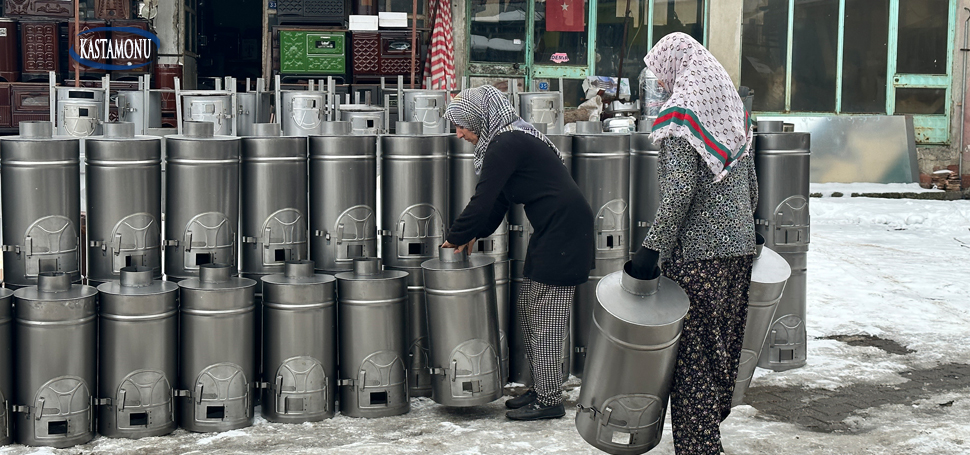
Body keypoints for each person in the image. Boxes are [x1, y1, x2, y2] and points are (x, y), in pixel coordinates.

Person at [630, 32, 758, 455]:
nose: (660, 82)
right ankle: (707, 434)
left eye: (660, 72)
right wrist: (741, 229)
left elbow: (680, 190)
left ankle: (700, 447)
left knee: (693, 360)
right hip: (739, 251)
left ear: (676, 66)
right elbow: (752, 187)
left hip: (698, 256)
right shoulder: (732, 110)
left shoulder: (681, 115)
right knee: (721, 349)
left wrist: (652, 248)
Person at [441, 85, 594, 421]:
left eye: (461, 125)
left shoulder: (507, 142)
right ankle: (540, 388)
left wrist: (454, 237)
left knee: (546, 320)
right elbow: (498, 200)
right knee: (529, 308)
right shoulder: (509, 140)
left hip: (565, 232)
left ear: (478, 118)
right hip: (554, 230)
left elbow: (483, 198)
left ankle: (550, 399)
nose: (459, 134)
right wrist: (475, 232)